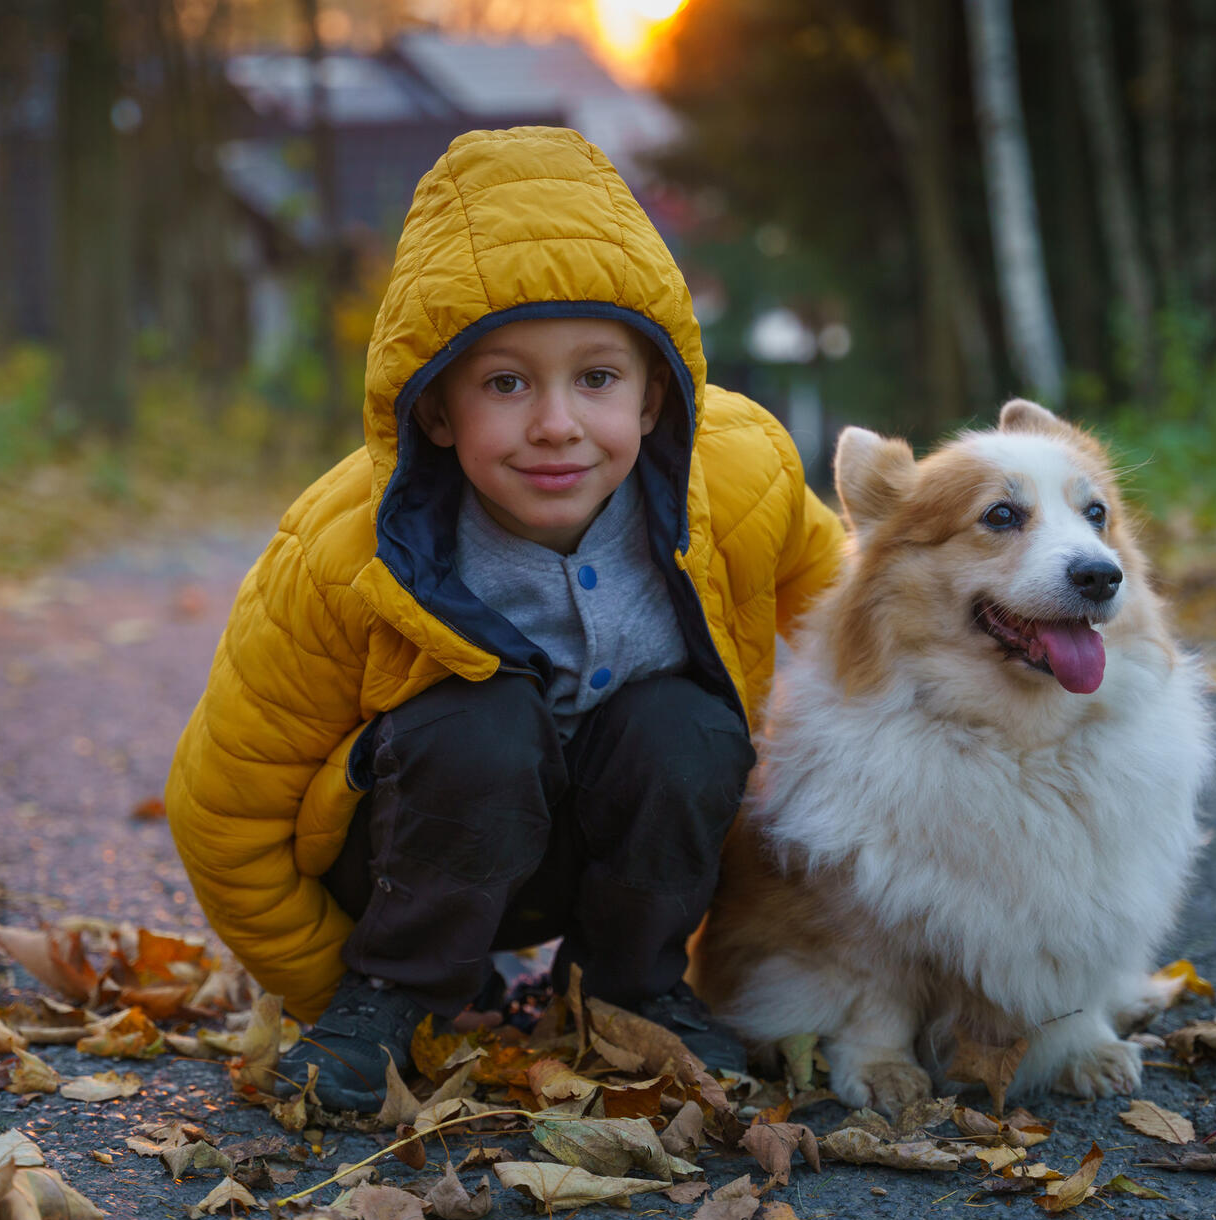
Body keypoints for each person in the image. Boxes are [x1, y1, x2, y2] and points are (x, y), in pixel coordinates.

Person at [166, 126, 846, 1111]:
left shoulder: (744, 473)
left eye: (597, 378)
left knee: (689, 727)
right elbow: (223, 813)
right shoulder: (344, 552)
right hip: (415, 849)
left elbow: (865, 626)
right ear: (435, 409)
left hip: (603, 850)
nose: (557, 423)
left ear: (658, 391)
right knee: (481, 720)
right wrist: (322, 981)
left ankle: (626, 985)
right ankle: (396, 993)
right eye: (506, 382)